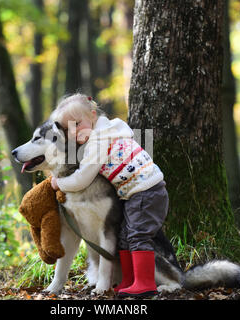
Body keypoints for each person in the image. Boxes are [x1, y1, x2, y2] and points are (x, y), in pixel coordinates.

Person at [49, 93, 168, 297]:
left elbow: (82, 179)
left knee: (138, 235)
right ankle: (129, 280)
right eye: (69, 129)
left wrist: (58, 183)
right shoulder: (113, 128)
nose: (74, 131)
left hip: (146, 191)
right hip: (134, 192)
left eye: (77, 124)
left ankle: (145, 282)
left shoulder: (98, 142)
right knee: (123, 235)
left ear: (93, 116)